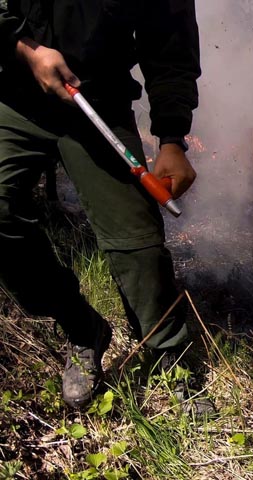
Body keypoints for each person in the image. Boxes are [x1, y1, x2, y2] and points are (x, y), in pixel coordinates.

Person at [0, 1, 200, 408]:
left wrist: (172, 138)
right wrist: (25, 48)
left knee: (137, 241)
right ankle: (82, 328)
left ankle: (172, 361)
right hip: (14, 94)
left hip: (98, 102)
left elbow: (171, 41)